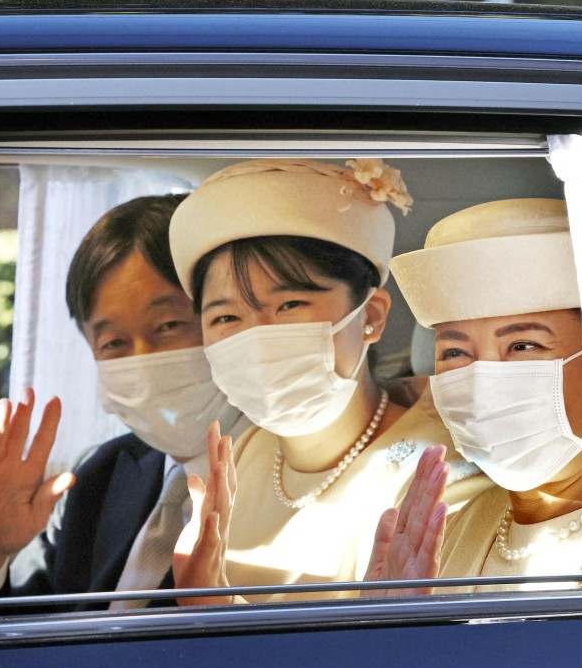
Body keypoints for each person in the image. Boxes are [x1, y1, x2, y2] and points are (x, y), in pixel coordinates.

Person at [167, 158, 490, 605]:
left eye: (289, 305)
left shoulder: (440, 479)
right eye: (225, 317)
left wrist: (212, 611)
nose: (255, 337)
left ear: (371, 316)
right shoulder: (244, 453)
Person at [0, 194, 250, 609]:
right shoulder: (97, 474)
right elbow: (18, 636)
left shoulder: (294, 475)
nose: (142, 361)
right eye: (113, 343)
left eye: (169, 325)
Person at [366, 198, 582, 594]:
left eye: (523, 345)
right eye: (455, 353)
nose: (481, 380)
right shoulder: (450, 532)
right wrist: (388, 621)